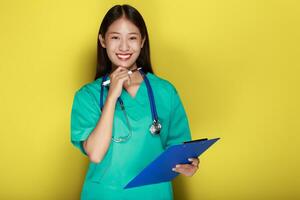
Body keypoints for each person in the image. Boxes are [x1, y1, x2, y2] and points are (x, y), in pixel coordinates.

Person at [70, 4, 200, 200]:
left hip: (154, 194)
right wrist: (112, 95)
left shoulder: (165, 91)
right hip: (105, 194)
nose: (124, 47)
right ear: (102, 40)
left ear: (142, 41)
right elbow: (95, 154)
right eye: (115, 37)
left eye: (132, 38)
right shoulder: (87, 96)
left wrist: (189, 165)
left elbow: (179, 150)